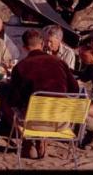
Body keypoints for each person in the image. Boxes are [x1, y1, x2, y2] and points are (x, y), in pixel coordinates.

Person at [8, 29, 79, 159]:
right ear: (42, 44)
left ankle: (28, 141)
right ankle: (42, 139)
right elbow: (74, 90)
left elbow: (15, 99)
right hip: (60, 120)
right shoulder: (60, 63)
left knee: (8, 102)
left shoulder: (21, 66)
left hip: (33, 120)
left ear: (23, 47)